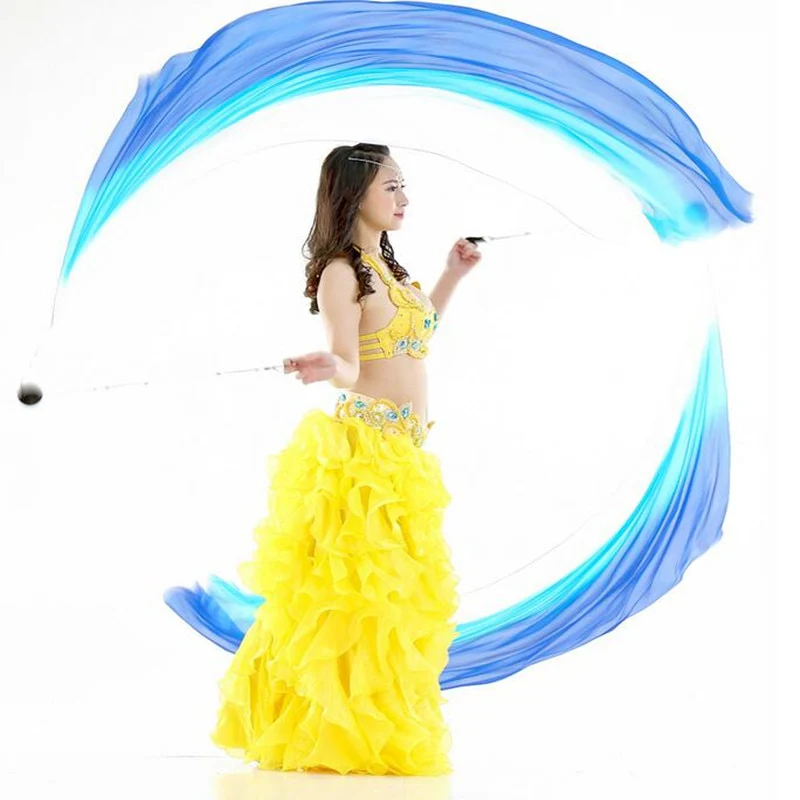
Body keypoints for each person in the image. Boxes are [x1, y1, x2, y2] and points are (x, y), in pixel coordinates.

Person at [210, 143, 482, 776]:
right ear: (355, 195)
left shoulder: (389, 267)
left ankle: (368, 729)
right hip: (362, 461)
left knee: (388, 604)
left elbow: (415, 339)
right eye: (392, 187)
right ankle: (324, 730)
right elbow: (350, 365)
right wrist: (327, 365)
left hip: (404, 459)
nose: (404, 198)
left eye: (403, 186)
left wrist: (451, 274)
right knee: (347, 600)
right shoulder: (342, 272)